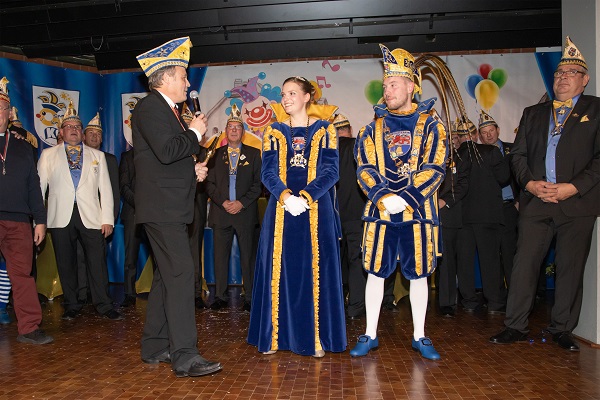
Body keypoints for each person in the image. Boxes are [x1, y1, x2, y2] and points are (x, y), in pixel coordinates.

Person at [490, 37, 600, 352]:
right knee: (524, 263)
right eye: (559, 73)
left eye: (570, 73)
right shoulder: (534, 113)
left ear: (584, 80)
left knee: (570, 267)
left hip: (577, 202)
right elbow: (518, 156)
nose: (562, 77)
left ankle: (562, 329)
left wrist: (572, 187)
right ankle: (515, 326)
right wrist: (529, 184)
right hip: (537, 201)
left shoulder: (596, 109)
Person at [350, 45, 447, 360]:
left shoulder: (432, 126)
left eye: (393, 84)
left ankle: (420, 335)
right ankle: (370, 334)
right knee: (375, 273)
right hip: (380, 215)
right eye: (385, 84)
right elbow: (364, 168)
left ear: (411, 87)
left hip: (417, 214)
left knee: (419, 274)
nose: (387, 90)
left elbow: (435, 168)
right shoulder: (370, 129)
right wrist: (383, 196)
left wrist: (405, 198)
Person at [133, 37, 221, 377]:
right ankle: (185, 355)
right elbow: (168, 150)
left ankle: (155, 345)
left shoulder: (166, 110)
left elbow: (165, 159)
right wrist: (195, 133)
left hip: (169, 206)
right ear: (167, 77)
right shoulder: (150, 107)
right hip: (162, 209)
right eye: (183, 76)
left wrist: (192, 169)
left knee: (165, 277)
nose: (187, 82)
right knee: (183, 275)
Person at [247, 76, 346, 358]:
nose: (286, 98)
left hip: (316, 210)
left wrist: (305, 197)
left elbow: (331, 172)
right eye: (283, 94)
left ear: (307, 97)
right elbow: (267, 172)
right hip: (281, 209)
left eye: (292, 93)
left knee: (315, 271)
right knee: (279, 270)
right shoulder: (273, 131)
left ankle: (315, 339)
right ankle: (275, 338)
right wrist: (286, 197)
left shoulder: (325, 130)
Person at [37, 102, 122, 321]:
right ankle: (71, 304)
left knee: (97, 262)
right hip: (60, 215)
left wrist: (107, 219)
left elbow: (106, 190)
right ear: (61, 132)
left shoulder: (97, 156)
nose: (74, 129)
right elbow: (39, 189)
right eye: (69, 126)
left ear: (82, 133)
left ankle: (104, 304)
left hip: (92, 215)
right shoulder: (48, 155)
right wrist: (39, 220)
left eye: (77, 127)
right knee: (66, 262)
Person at [0, 77, 52, 344]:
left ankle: (29, 328)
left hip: (19, 221)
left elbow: (34, 186)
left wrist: (40, 221)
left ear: (9, 114)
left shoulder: (23, 146)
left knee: (22, 275)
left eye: (1, 108)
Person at [206, 104, 262, 312]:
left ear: (243, 132)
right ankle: (220, 296)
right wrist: (223, 202)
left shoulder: (254, 154)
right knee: (220, 257)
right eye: (231, 127)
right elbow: (209, 184)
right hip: (221, 213)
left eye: (238, 127)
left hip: (245, 213)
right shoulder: (215, 154)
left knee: (248, 257)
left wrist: (241, 202)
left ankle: (250, 296)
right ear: (225, 131)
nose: (234, 130)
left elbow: (258, 184)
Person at [456, 113, 510, 314]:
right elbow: (504, 178)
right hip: (488, 215)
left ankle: (469, 301)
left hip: (462, 217)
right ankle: (494, 302)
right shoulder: (491, 151)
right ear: (475, 135)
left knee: (465, 261)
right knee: (490, 260)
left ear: (459, 137)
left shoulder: (454, 156)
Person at [78, 112, 120, 303]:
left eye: (98, 134)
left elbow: (113, 192)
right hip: (77, 216)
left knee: (98, 260)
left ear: (102, 139)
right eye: (91, 133)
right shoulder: (74, 156)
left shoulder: (109, 159)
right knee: (78, 257)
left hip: (99, 218)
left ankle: (101, 298)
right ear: (83, 136)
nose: (94, 137)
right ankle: (81, 295)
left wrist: (109, 218)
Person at [478, 110, 518, 287]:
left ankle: (515, 295)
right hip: (488, 211)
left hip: (510, 208)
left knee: (511, 253)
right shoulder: (477, 155)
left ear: (498, 130)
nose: (489, 135)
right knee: (490, 256)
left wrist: (519, 202)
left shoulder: (513, 150)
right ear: (480, 137)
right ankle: (495, 297)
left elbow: (523, 176)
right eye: (484, 133)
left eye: (491, 131)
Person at [333, 113, 367, 319]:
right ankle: (355, 306)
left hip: (334, 214)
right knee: (356, 260)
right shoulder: (359, 146)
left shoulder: (328, 151)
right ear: (350, 130)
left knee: (336, 261)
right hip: (357, 213)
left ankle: (335, 304)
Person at [437, 121, 469, 318]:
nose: (449, 141)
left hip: (454, 214)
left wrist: (446, 201)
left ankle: (464, 299)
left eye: (452, 138)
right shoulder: (430, 159)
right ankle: (444, 302)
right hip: (435, 217)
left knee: (459, 261)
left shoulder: (460, 160)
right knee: (443, 262)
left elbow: (464, 185)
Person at [182, 103, 209, 309]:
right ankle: (176, 294)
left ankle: (195, 292)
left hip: (196, 209)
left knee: (194, 252)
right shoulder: (176, 149)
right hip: (174, 208)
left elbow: (209, 182)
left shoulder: (203, 152)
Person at [118, 148, 139, 307]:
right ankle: (129, 293)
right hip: (133, 212)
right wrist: (140, 203)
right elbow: (124, 186)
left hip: (154, 213)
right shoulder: (127, 157)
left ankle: (159, 292)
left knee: (158, 256)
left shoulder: (156, 152)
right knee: (130, 256)